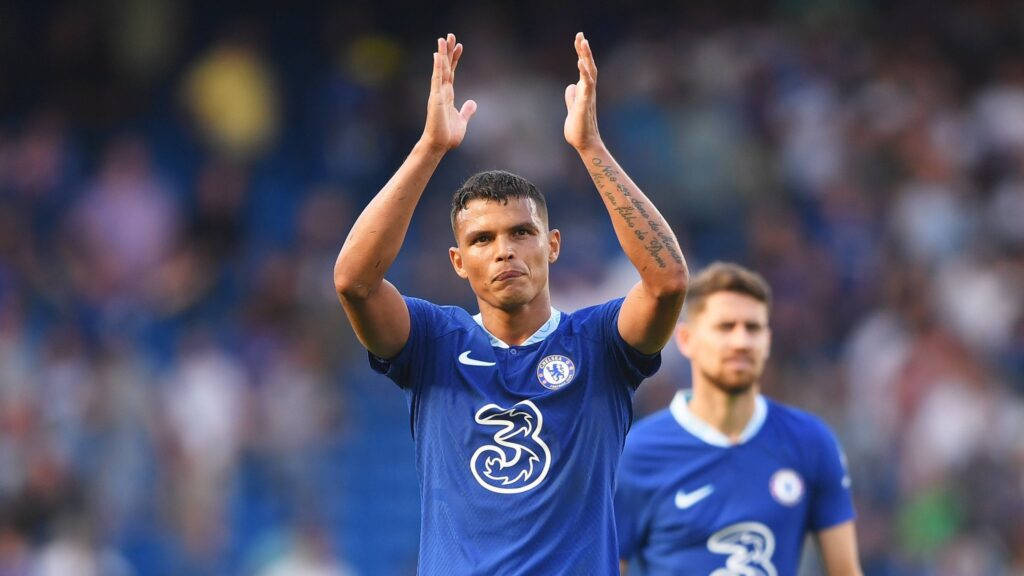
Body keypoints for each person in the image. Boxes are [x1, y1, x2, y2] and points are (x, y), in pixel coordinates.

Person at [333, 32, 688, 574]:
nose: (504, 251)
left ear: (552, 245)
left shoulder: (600, 344)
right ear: (458, 261)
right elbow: (354, 283)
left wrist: (591, 149)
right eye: (482, 239)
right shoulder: (433, 342)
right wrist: (429, 148)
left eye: (522, 232)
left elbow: (667, 282)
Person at [615, 263, 863, 576]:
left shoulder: (811, 442)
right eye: (725, 327)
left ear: (767, 341)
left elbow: (845, 570)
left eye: (753, 328)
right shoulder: (637, 453)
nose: (741, 341)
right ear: (687, 339)